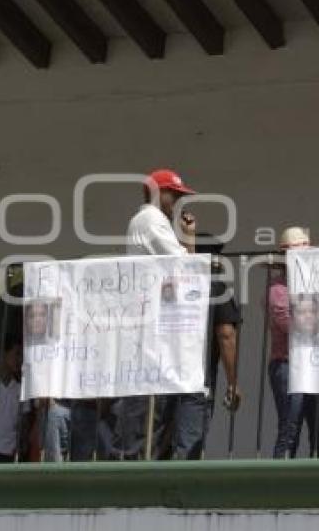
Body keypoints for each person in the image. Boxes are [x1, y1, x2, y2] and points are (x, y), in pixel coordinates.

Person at [116, 169, 197, 458]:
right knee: (147, 400)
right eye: (173, 195)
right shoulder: (152, 220)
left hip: (150, 317)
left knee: (151, 399)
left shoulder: (151, 220)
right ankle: (136, 459)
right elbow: (182, 264)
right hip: (149, 321)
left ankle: (139, 455)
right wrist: (189, 241)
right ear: (157, 193)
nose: (175, 201)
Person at [155, 235, 243, 460]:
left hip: (164, 375)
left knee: (160, 442)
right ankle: (176, 493)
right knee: (189, 446)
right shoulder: (215, 287)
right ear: (214, 260)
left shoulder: (168, 285)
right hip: (197, 379)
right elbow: (226, 335)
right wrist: (233, 383)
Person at [268, 227, 319, 459]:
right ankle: (278, 489)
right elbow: (290, 325)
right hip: (288, 365)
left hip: (316, 365)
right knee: (290, 428)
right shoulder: (278, 289)